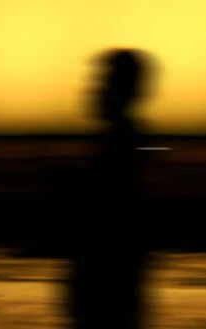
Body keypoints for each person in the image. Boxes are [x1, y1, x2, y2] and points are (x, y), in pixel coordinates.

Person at [68, 48, 153, 329]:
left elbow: (111, 207)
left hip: (109, 272)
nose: (94, 89)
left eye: (104, 80)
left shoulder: (124, 139)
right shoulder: (123, 137)